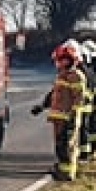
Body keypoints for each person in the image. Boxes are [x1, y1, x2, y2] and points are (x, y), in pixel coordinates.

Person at [30, 39, 88, 181]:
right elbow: (54, 94)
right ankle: (62, 169)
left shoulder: (76, 76)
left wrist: (73, 115)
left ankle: (67, 173)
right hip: (59, 118)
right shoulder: (63, 75)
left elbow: (79, 98)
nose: (59, 63)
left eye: (62, 60)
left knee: (67, 146)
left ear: (70, 60)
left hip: (68, 117)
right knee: (60, 146)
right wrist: (42, 106)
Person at [78, 39, 96, 161]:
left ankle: (93, 149)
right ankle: (89, 149)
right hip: (91, 100)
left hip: (94, 101)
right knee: (88, 126)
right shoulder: (90, 66)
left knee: (92, 126)